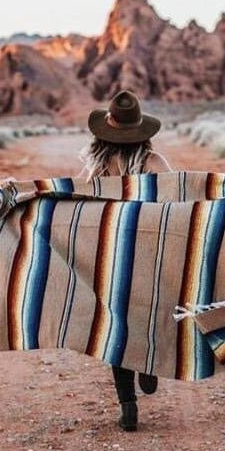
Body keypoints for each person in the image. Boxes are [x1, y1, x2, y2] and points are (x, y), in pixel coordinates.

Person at [78, 89, 172, 432]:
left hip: (111, 257)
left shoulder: (98, 169)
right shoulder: (155, 164)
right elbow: (181, 204)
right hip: (149, 255)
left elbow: (78, 208)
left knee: (116, 325)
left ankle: (128, 405)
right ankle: (148, 365)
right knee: (148, 313)